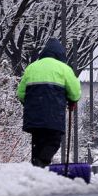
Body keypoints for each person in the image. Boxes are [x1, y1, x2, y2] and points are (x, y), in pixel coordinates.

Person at [16, 38, 81, 167]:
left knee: (37, 142)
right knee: (53, 140)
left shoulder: (32, 67)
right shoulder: (64, 68)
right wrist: (72, 101)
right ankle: (42, 163)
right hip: (53, 113)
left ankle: (36, 169)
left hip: (34, 114)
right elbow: (75, 92)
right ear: (60, 54)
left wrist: (30, 104)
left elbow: (20, 94)